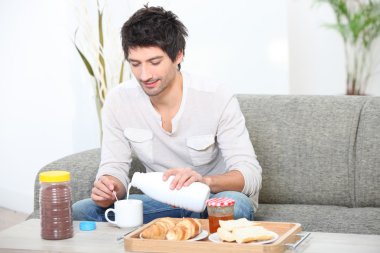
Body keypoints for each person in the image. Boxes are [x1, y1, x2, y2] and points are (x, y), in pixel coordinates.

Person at [72, 5, 262, 223]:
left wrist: (204, 181)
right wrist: (109, 187)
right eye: (135, 64)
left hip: (214, 198)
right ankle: (184, 225)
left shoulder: (216, 96)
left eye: (155, 62)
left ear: (178, 55)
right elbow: (114, 168)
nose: (144, 75)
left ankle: (184, 224)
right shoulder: (119, 101)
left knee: (236, 206)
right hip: (163, 202)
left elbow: (250, 174)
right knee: (83, 210)